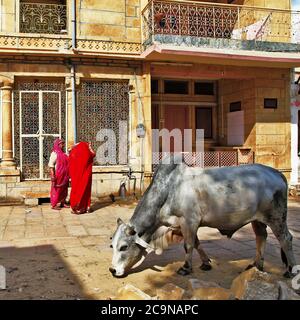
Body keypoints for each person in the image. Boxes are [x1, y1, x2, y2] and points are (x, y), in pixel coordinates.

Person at [69, 141, 95, 214]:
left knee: (75, 190)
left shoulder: (73, 153)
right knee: (85, 190)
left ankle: (75, 207)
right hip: (86, 176)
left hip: (75, 177)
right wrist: (89, 147)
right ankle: (86, 207)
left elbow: (70, 163)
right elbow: (93, 154)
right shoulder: (87, 152)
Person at [48, 138, 69, 210]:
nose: (63, 145)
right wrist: (53, 175)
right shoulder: (54, 153)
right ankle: (54, 204)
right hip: (58, 175)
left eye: (63, 143)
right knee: (56, 190)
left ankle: (63, 203)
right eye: (61, 144)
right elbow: (51, 165)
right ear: (57, 144)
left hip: (65, 175)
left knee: (64, 189)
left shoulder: (64, 154)